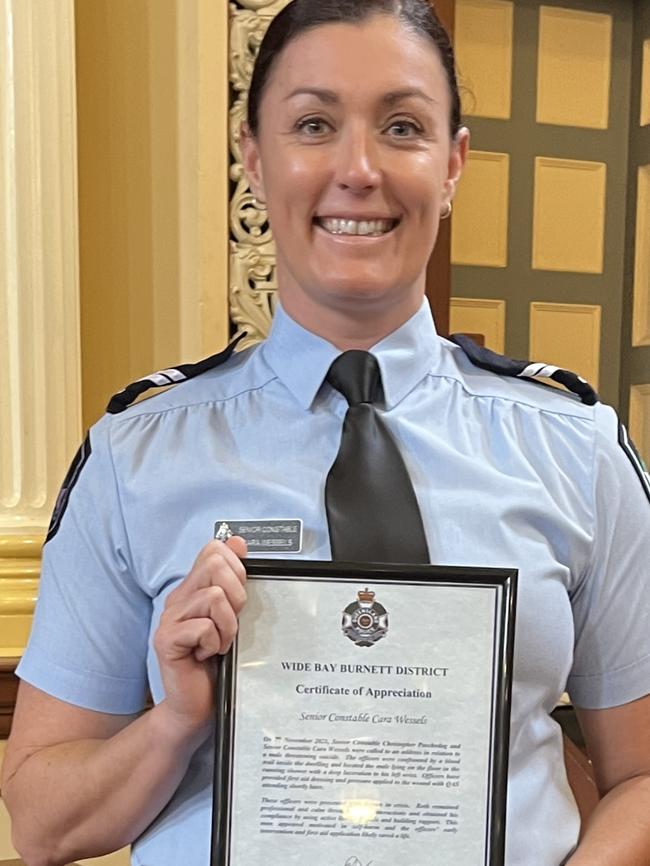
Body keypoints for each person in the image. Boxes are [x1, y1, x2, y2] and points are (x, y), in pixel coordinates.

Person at [3, 1, 650, 864]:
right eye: (313, 124)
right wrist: (176, 723)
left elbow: (642, 778)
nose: (358, 169)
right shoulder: (136, 457)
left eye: (403, 127)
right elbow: (44, 823)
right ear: (254, 159)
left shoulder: (580, 449)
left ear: (453, 164)